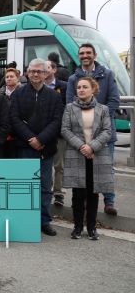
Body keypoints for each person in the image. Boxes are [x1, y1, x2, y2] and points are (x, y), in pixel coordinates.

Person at [10, 58, 64, 237]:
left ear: (46, 73)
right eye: (32, 71)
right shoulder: (18, 94)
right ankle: (25, 220)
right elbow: (15, 119)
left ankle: (44, 221)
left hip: (45, 148)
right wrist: (30, 138)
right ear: (26, 72)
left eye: (39, 71)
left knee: (44, 186)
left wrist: (41, 139)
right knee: (24, 185)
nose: (35, 74)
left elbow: (57, 121)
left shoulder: (54, 96)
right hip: (24, 147)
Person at [66, 43, 120, 216]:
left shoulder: (107, 74)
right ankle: (85, 202)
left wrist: (100, 119)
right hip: (80, 134)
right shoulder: (73, 78)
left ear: (95, 55)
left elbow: (114, 100)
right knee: (83, 170)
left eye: (88, 53)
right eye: (82, 53)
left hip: (104, 132)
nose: (85, 56)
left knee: (106, 168)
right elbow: (69, 103)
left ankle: (109, 202)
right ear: (78, 56)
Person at [61, 77, 113, 240]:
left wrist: (92, 146)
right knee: (78, 193)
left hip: (96, 155)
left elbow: (107, 131)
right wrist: (82, 146)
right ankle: (77, 227)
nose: (81, 90)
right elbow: (65, 130)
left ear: (93, 89)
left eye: (85, 87)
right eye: (78, 87)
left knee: (93, 193)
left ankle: (91, 228)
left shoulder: (103, 109)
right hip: (77, 154)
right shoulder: (69, 108)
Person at [45, 60, 68, 207]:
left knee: (59, 164)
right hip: (43, 133)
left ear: (54, 70)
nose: (43, 70)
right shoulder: (38, 86)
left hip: (59, 132)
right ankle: (47, 191)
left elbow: (66, 108)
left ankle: (58, 193)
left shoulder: (64, 87)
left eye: (46, 68)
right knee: (45, 164)